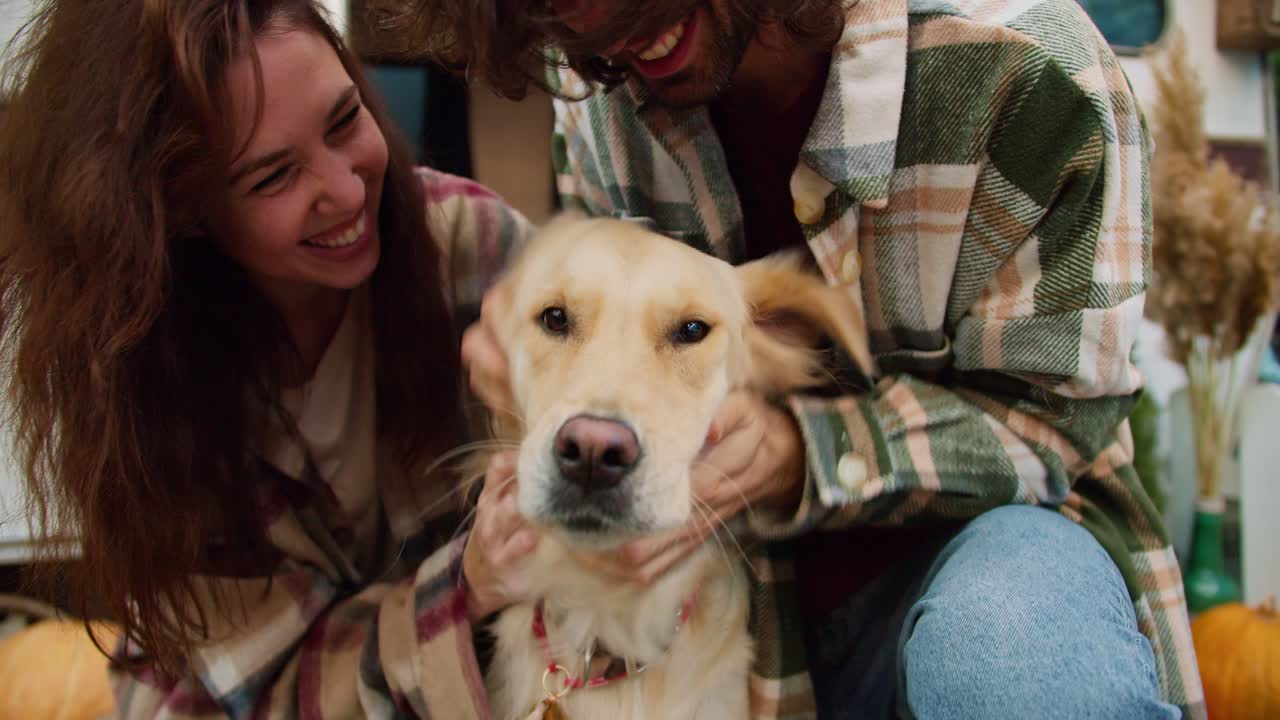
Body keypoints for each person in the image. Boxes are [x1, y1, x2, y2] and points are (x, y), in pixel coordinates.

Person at [389, 0, 1207, 717]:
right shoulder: (601, 104)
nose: (591, 22)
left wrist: (799, 452)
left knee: (1006, 650)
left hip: (981, 566)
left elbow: (1052, 432)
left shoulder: (1030, 72)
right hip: (734, 607)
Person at [0, 0, 538, 715]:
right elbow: (282, 693)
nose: (348, 191)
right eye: (274, 176)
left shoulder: (473, 246)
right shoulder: (141, 399)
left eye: (346, 120)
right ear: (183, 210)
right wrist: (468, 583)